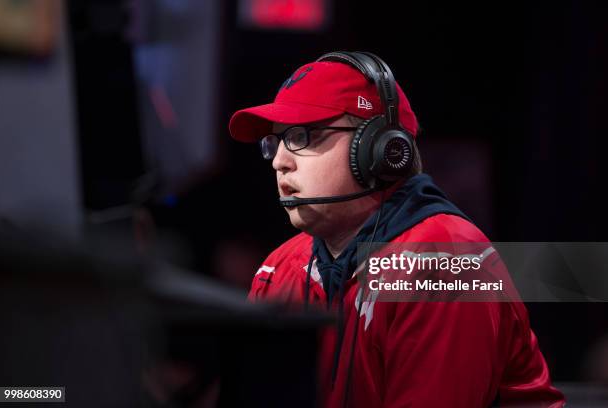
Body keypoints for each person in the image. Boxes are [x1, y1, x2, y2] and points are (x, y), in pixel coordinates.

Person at [228, 51, 565, 407]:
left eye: (303, 135)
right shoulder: (278, 271)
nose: (280, 161)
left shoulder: (447, 263)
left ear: (380, 149)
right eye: (276, 142)